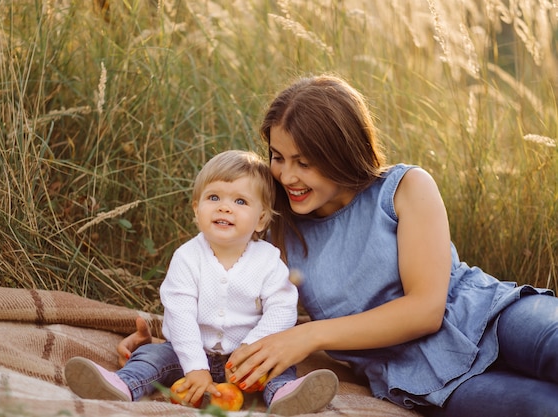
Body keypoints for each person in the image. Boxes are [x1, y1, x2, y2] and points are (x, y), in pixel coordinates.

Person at [223, 75, 558, 417]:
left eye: (303, 163)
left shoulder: (404, 187)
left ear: (341, 153)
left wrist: (309, 336)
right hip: (415, 375)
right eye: (278, 157)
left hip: (489, 316)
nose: (287, 176)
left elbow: (425, 310)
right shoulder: (277, 231)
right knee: (544, 408)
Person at [64, 150, 338, 416]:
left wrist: (250, 349)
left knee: (278, 367)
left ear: (261, 219)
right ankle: (121, 384)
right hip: (188, 351)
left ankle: (285, 395)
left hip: (246, 357)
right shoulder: (186, 258)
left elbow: (282, 309)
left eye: (240, 201)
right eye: (214, 197)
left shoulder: (269, 260)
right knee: (152, 357)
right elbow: (180, 314)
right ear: (197, 210)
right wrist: (195, 366)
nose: (224, 206)